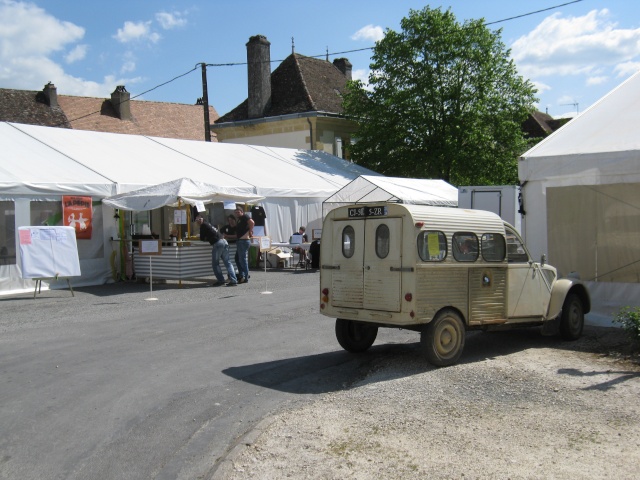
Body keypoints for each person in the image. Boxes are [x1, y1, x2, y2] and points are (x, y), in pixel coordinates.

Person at [196, 215, 238, 287]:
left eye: (199, 219)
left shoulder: (203, 225)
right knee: (228, 262)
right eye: (197, 220)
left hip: (218, 243)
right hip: (224, 241)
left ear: (202, 219)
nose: (198, 221)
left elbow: (202, 238)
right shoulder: (208, 224)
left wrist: (206, 237)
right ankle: (234, 280)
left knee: (215, 263)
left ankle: (221, 280)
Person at [234, 206, 254, 284]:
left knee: (242, 259)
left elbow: (252, 222)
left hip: (244, 241)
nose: (237, 213)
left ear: (242, 212)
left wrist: (250, 231)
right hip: (240, 241)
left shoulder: (245, 216)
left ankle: (246, 276)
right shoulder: (239, 219)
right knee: (237, 258)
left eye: (238, 212)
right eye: (236, 212)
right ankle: (241, 274)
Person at [220, 214, 240, 281]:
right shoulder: (226, 227)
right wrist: (223, 235)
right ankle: (230, 276)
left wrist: (227, 236)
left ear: (235, 220)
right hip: (228, 245)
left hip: (236, 245)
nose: (231, 221)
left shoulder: (237, 227)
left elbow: (237, 236)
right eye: (229, 220)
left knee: (233, 262)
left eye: (232, 220)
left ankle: (236, 276)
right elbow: (220, 232)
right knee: (229, 261)